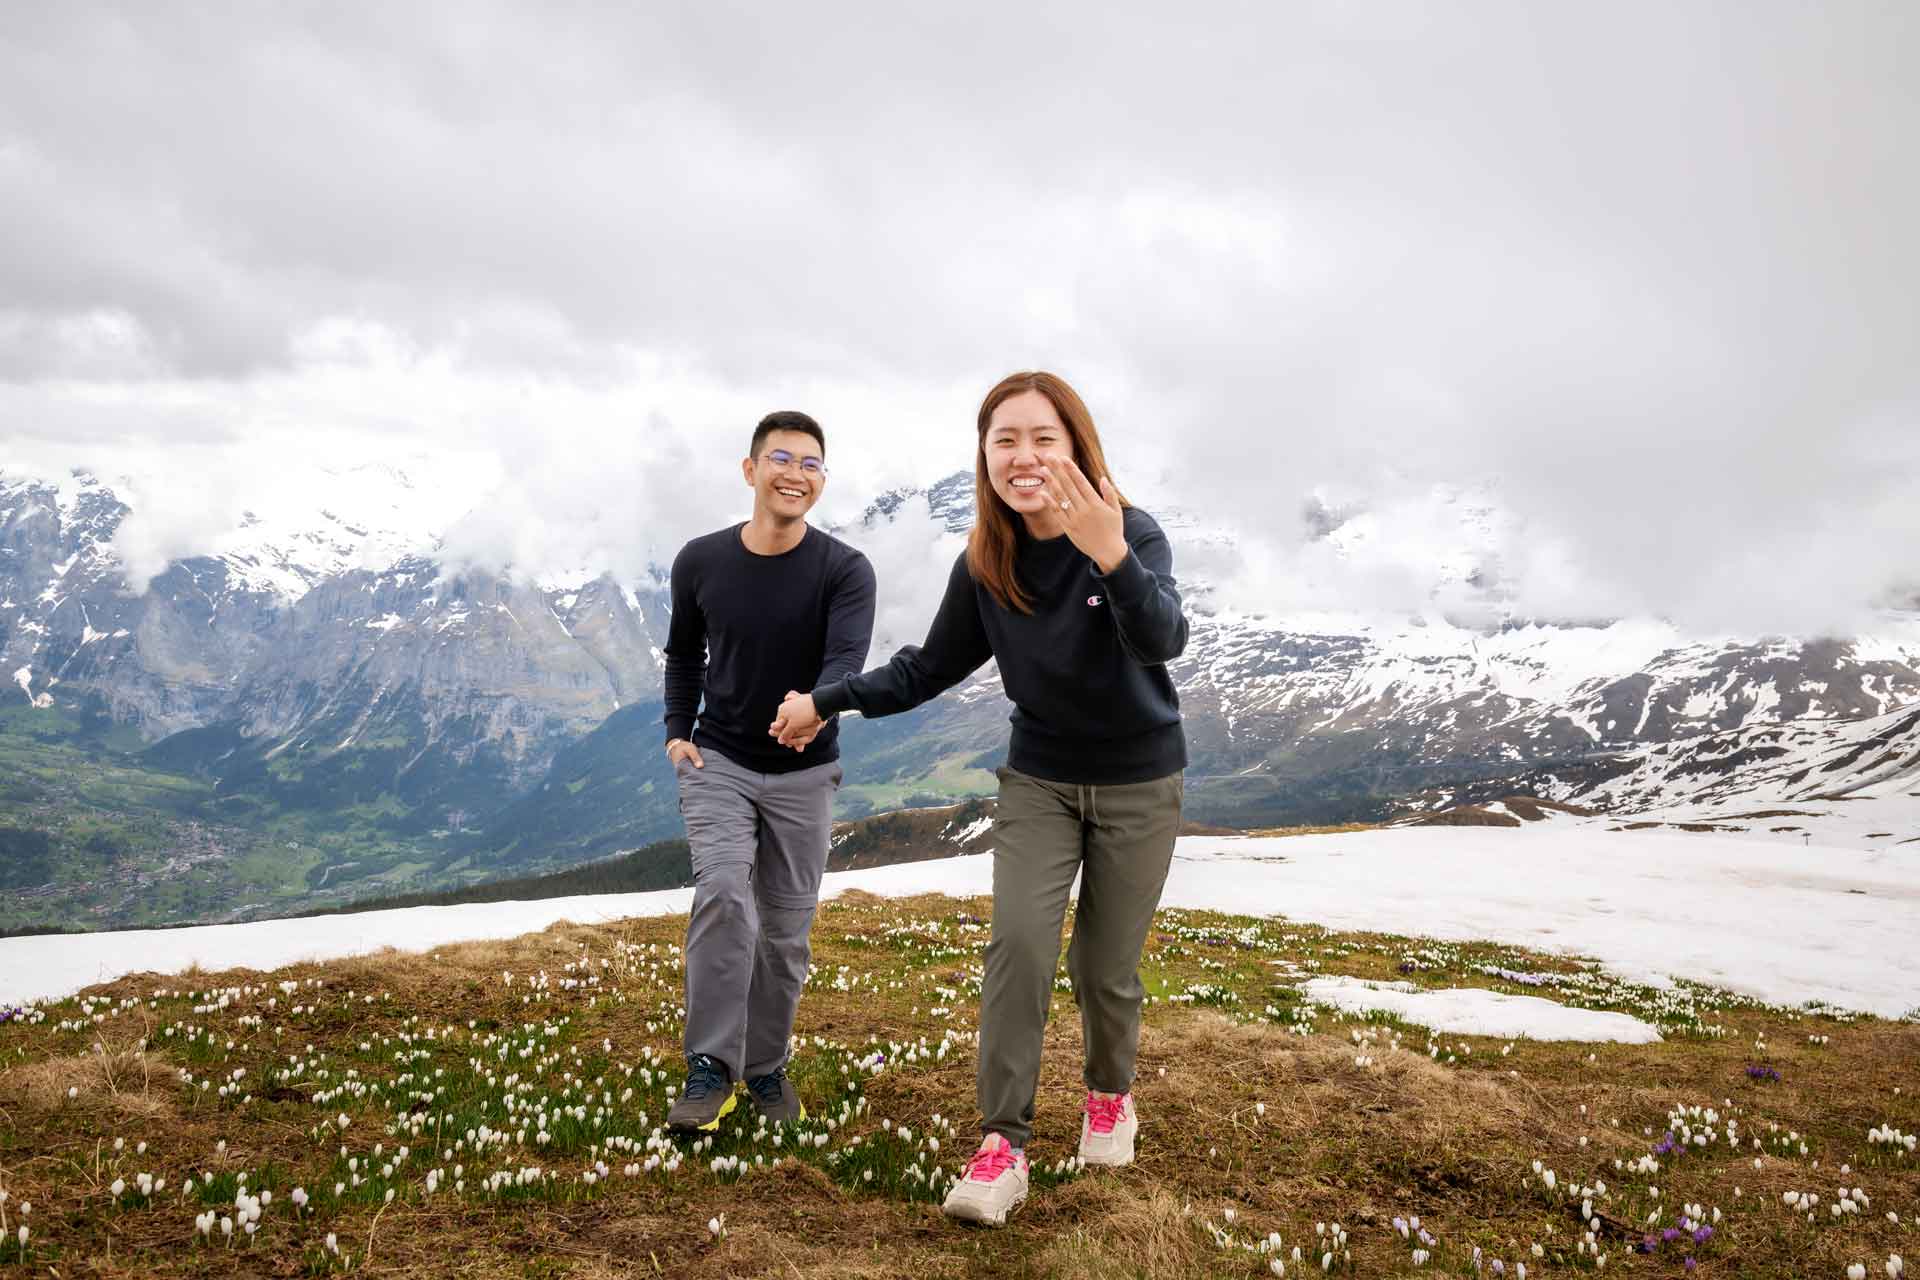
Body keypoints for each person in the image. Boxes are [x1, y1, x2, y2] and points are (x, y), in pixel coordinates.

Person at [771, 371, 1187, 1225]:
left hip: (1141, 782)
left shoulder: (1130, 532)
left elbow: (1163, 639)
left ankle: (1109, 1097)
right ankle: (1004, 1145)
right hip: (1038, 777)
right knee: (1019, 950)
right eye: (1005, 440)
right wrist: (827, 700)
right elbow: (930, 666)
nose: (1024, 456)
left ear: (1075, 446)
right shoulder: (988, 558)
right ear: (985, 455)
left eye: (1043, 438)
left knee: (1104, 968)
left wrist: (1109, 550)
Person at [661, 410, 877, 1132]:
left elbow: (846, 660)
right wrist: (675, 733)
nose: (796, 472)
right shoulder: (700, 560)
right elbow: (684, 654)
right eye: (781, 458)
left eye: (812, 463)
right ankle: (710, 1068)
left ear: (821, 481)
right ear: (751, 471)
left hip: (806, 772)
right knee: (724, 893)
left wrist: (817, 703)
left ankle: (765, 1067)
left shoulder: (846, 570)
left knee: (785, 930)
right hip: (718, 757)